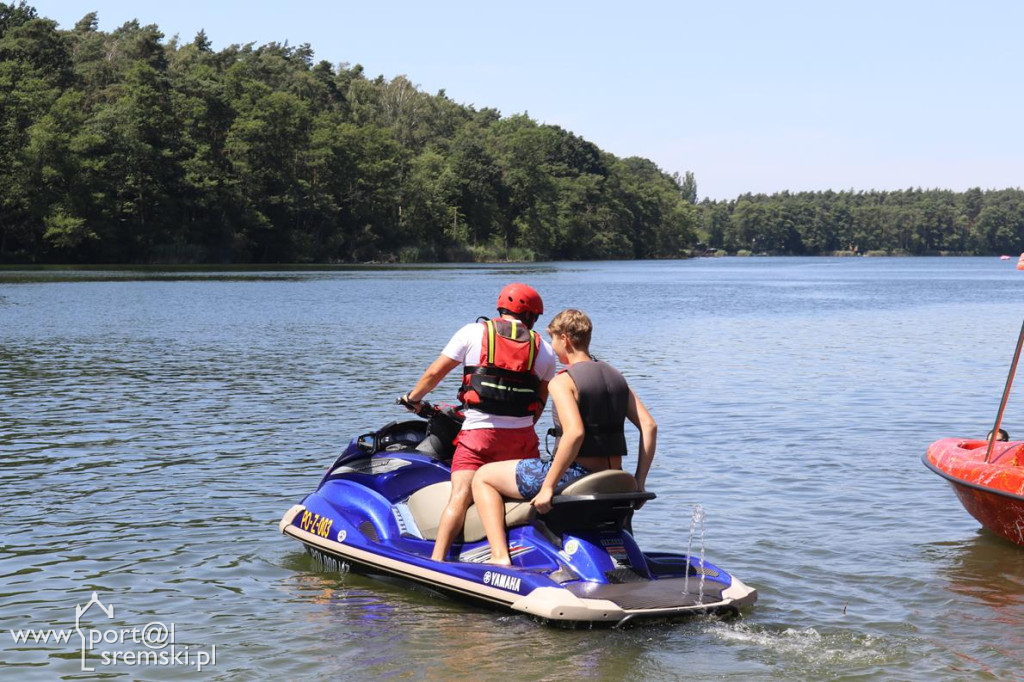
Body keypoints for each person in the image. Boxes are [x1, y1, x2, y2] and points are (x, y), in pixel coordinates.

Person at [471, 308, 657, 566]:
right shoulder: (616, 377)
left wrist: (548, 487)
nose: (553, 347)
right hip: (617, 476)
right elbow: (649, 426)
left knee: (484, 477)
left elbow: (575, 433)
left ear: (565, 339)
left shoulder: (563, 381)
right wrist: (639, 482)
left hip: (578, 474)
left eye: (554, 340)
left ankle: (499, 556)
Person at [402, 283, 557, 562]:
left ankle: (437, 561)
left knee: (460, 496)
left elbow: (434, 373)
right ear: (532, 316)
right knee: (525, 499)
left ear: (501, 307)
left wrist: (413, 397)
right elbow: (540, 404)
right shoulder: (544, 350)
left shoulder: (472, 332)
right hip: (522, 439)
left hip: (477, 437)